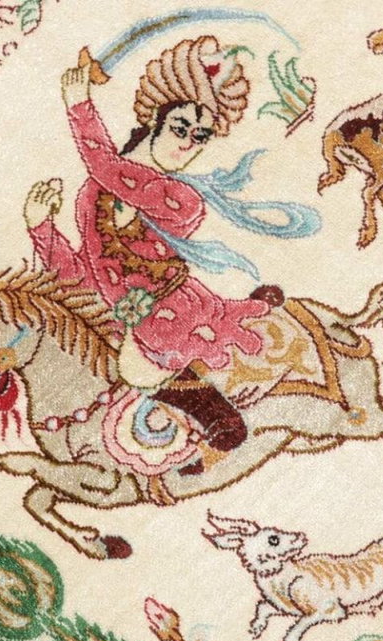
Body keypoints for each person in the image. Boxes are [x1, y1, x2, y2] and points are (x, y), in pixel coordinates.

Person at [24, 36, 283, 461]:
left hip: (175, 315)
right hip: (125, 322)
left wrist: (80, 106)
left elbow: (105, 164)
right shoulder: (94, 194)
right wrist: (41, 227)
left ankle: (218, 419)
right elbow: (82, 278)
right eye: (181, 127)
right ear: (154, 120)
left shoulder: (181, 200)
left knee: (144, 369)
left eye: (201, 136)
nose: (189, 142)